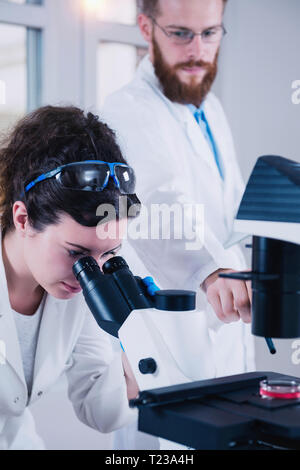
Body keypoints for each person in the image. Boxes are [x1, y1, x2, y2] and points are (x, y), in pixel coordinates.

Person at [101, 0, 255, 449]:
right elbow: (155, 201)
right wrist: (210, 270)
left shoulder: (208, 110)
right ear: (146, 28)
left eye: (210, 33)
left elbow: (230, 215)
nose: (198, 50)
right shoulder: (127, 109)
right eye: (181, 34)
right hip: (171, 342)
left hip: (223, 337)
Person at [0, 105, 141, 450]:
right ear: (23, 219)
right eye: (76, 253)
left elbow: (103, 412)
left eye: (108, 254)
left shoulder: (75, 290)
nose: (87, 274)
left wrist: (139, 341)